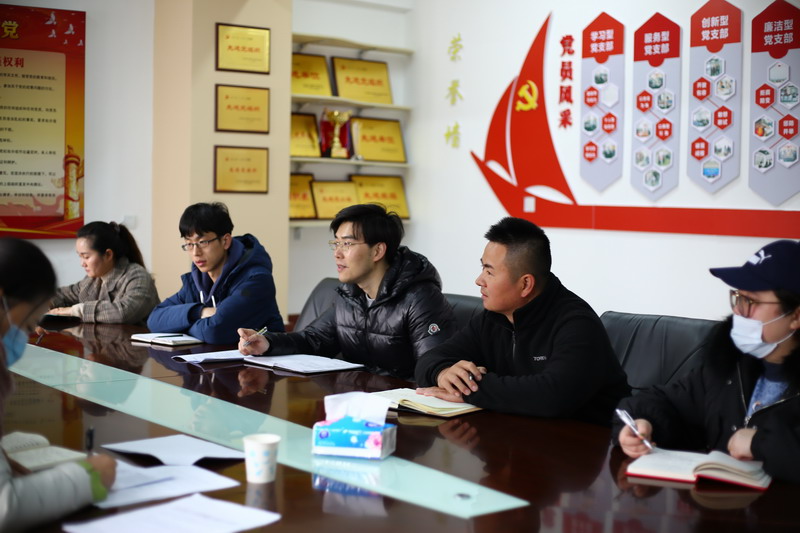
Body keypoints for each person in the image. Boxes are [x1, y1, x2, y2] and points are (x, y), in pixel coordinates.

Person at [614, 240, 800, 484]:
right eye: (738, 298)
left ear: (795, 316)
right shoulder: (730, 366)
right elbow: (666, 401)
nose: (739, 311)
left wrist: (759, 443)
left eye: (751, 302)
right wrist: (642, 424)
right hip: (719, 501)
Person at [415, 217, 630, 425]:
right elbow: (430, 359)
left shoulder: (577, 323)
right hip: (520, 435)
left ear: (526, 284)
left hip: (591, 442)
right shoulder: (493, 318)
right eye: (482, 269)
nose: (479, 280)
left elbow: (553, 396)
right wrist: (444, 373)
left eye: (489, 272)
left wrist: (469, 389)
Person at [238, 204, 455, 380]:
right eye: (336, 243)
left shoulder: (420, 298)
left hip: (403, 409)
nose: (337, 253)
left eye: (347, 244)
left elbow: (434, 367)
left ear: (378, 251)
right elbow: (314, 340)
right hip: (357, 402)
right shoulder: (350, 294)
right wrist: (268, 343)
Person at [0, 238, 116, 531]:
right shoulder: (88, 283)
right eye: (28, 326)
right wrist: (89, 478)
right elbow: (4, 508)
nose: (24, 338)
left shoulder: (133, 277)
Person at [147, 202, 283, 344]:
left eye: (203, 242)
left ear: (225, 241)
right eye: (189, 244)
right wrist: (200, 312)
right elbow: (155, 319)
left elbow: (214, 331)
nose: (195, 253)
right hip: (216, 356)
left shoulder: (256, 280)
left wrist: (180, 325)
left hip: (261, 357)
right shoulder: (197, 281)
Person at [48, 221, 160, 324]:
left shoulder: (137, 276)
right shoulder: (91, 281)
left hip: (135, 339)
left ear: (108, 255)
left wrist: (75, 311)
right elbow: (61, 295)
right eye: (80, 256)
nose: (82, 263)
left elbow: (124, 312)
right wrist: (46, 305)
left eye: (86, 257)